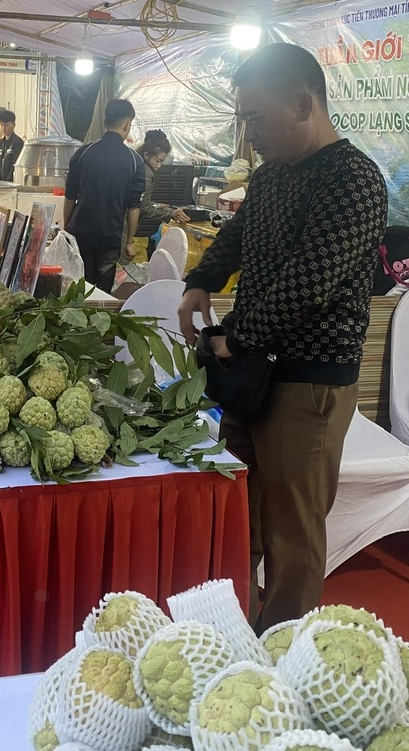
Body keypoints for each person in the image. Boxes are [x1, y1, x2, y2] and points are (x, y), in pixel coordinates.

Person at [178, 43, 387, 634]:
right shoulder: (272, 176)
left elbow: (309, 284)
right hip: (252, 375)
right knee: (236, 513)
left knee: (293, 533)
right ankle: (232, 633)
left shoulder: (354, 180)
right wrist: (202, 279)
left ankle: (283, 655)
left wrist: (233, 339)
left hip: (307, 382)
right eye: (242, 120)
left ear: (303, 103)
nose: (249, 136)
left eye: (255, 119)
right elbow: (236, 234)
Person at [63, 98, 146, 293]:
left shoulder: (83, 153)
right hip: (110, 237)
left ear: (104, 122)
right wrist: (130, 242)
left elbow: (69, 197)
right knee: (102, 294)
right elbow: (134, 207)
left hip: (80, 233)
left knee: (79, 288)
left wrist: (67, 228)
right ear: (127, 125)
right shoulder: (135, 161)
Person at [133, 129, 190, 259]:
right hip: (132, 236)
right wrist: (172, 213)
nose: (159, 166)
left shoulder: (135, 165)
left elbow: (138, 201)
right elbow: (143, 207)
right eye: (157, 160)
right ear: (147, 155)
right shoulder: (146, 174)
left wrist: (155, 205)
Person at [0, 109, 24, 182]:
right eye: (1, 125)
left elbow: (16, 165)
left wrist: (8, 181)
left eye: (6, 125)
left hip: (12, 183)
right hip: (0, 182)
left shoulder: (18, 142)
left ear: (13, 125)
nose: (3, 128)